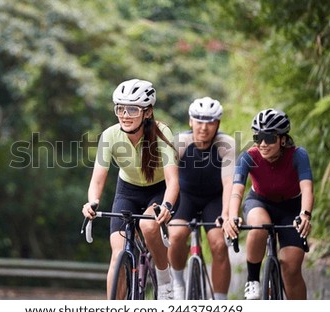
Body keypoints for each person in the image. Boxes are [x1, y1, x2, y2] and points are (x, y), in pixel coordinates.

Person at [82, 78, 179, 300]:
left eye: (133, 109)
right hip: (127, 191)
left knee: (148, 225)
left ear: (147, 112)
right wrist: (92, 202)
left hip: (159, 190)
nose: (125, 114)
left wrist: (167, 205)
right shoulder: (110, 135)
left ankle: (165, 281)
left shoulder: (162, 132)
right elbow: (97, 180)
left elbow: (173, 181)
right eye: (120, 108)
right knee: (117, 255)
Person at [224, 108, 314, 300]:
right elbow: (237, 190)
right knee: (259, 226)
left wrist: (305, 214)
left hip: (291, 208)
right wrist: (232, 216)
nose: (263, 144)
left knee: (290, 267)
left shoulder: (298, 155)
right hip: (260, 202)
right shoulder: (248, 156)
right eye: (258, 137)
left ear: (282, 139)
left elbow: (307, 188)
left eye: (270, 138)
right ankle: (253, 280)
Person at [168, 97, 235, 300]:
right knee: (177, 235)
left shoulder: (226, 144)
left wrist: (226, 214)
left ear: (218, 124)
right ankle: (178, 282)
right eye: (199, 121)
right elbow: (168, 180)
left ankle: (221, 302)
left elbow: (229, 183)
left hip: (213, 200)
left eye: (210, 122)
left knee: (219, 245)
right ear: (190, 121)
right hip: (185, 197)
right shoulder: (180, 142)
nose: (204, 127)